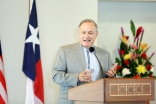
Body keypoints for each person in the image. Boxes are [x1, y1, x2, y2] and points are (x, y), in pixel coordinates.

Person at [52, 19, 118, 104]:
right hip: (72, 100)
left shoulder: (105, 54)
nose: (86, 36)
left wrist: (112, 77)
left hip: (98, 100)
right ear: (79, 33)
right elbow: (56, 75)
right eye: (83, 32)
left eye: (90, 33)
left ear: (96, 34)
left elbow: (108, 82)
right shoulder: (65, 51)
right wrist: (77, 77)